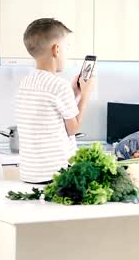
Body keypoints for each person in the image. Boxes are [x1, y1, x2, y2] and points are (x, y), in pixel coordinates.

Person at [16, 18, 96, 183]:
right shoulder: (59, 85)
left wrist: (75, 92)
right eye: (67, 47)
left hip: (30, 174)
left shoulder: (26, 82)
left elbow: (52, 111)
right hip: (57, 175)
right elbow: (72, 128)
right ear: (56, 50)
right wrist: (86, 94)